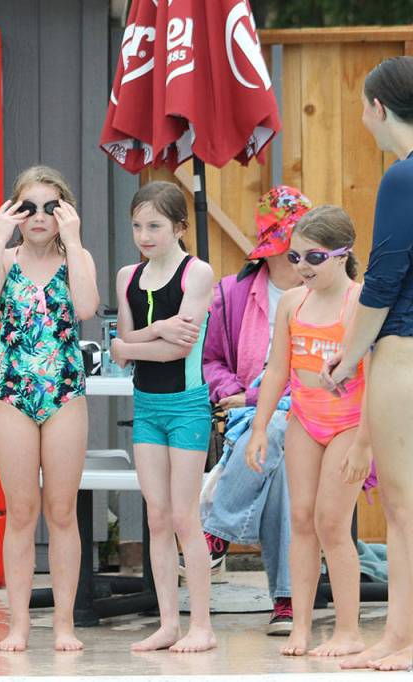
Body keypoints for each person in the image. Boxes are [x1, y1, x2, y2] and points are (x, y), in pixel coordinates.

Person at [0, 166, 98, 652]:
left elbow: (86, 307)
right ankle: (19, 623)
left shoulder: (76, 257)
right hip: (15, 395)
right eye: (29, 207)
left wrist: (75, 237)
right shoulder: (4, 260)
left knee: (61, 512)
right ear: (15, 213)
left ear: (63, 211)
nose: (39, 217)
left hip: (64, 391)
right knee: (20, 512)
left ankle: (63, 622)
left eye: (50, 207)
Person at [248, 205, 370, 658]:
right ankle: (300, 626)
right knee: (300, 521)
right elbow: (277, 368)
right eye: (296, 257)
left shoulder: (359, 303)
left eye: (314, 258)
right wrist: (261, 426)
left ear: (343, 255)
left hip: (348, 422)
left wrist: (365, 443)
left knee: (332, 523)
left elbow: (374, 379)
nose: (302, 267)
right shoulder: (293, 303)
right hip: (303, 419)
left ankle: (348, 630)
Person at [326, 55, 413, 673]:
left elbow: (383, 279)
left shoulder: (402, 178)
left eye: (362, 106)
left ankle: (402, 638)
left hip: (403, 353)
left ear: (380, 108)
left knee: (406, 509)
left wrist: (346, 356)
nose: (361, 119)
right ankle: (400, 636)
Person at [110, 181, 217, 653]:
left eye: (154, 225)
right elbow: (121, 348)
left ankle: (203, 625)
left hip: (188, 404)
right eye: (137, 225)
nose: (144, 235)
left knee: (183, 516)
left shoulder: (198, 273)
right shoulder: (128, 275)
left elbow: (181, 346)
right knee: (155, 517)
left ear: (178, 226)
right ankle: (169, 623)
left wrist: (135, 345)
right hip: (148, 407)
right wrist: (154, 330)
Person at [199, 186, 310, 636]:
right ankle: (287, 599)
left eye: (300, 250)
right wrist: (235, 391)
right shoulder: (232, 294)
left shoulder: (326, 295)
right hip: (249, 426)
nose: (295, 260)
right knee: (280, 453)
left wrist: (255, 399)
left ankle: (216, 527)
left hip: (312, 418)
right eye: (285, 250)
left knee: (281, 428)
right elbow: (208, 361)